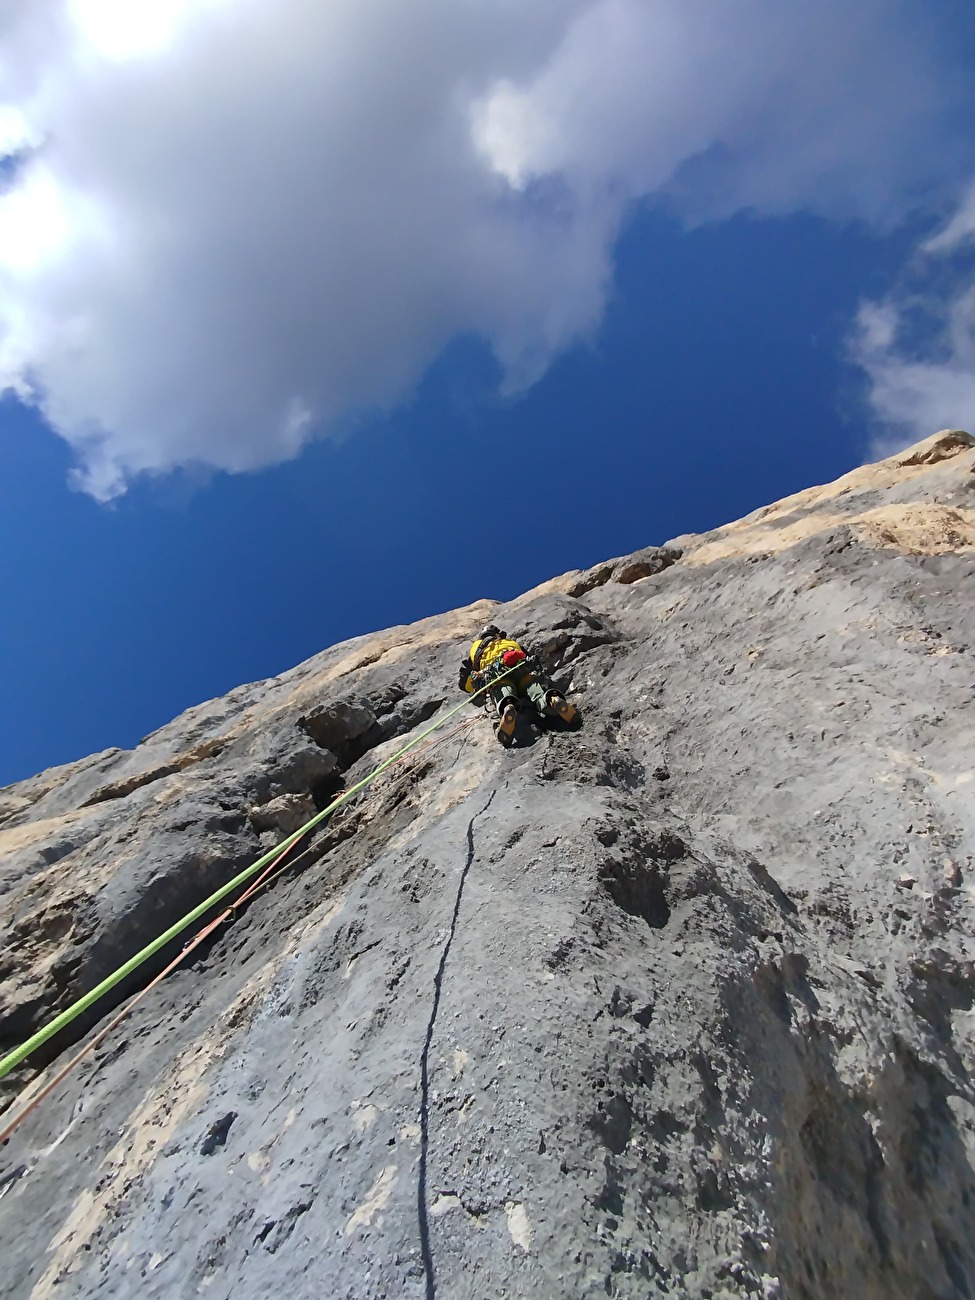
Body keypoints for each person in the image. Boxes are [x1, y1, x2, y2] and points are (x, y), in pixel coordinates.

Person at [457, 624, 576, 743]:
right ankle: (552, 700)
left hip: (498, 675)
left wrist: (475, 687)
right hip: (523, 668)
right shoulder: (509, 642)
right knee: (536, 692)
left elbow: (465, 680)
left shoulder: (475, 650)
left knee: (504, 692)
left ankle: (508, 707)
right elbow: (529, 657)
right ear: (496, 634)